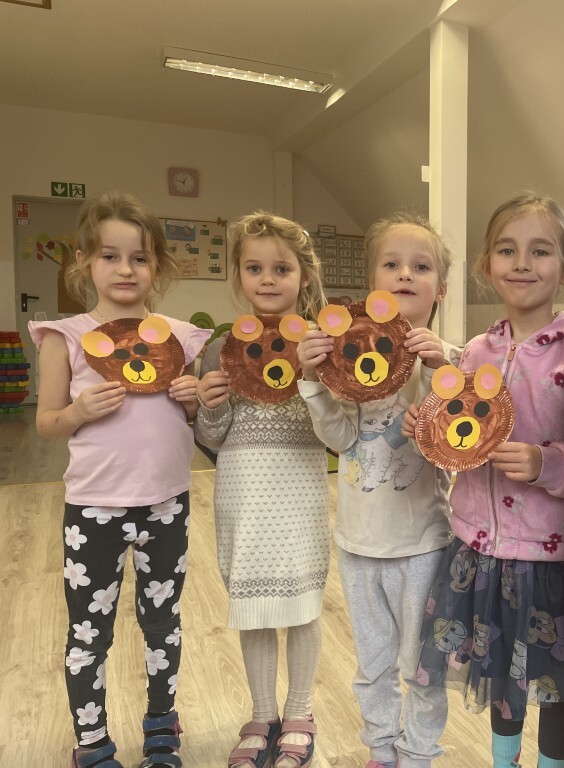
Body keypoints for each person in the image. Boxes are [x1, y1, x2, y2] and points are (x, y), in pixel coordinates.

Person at [407, 193, 564, 768]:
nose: (522, 263)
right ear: (486, 266)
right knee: (498, 672)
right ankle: (503, 762)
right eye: (507, 250)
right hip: (480, 549)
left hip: (550, 553)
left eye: (540, 251)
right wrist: (430, 430)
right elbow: (457, 442)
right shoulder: (473, 353)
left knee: (555, 681)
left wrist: (546, 464)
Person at [30, 191, 210, 768]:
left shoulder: (178, 337)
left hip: (166, 504)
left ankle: (162, 728)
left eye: (139, 258)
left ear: (158, 265)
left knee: (162, 623)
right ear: (85, 262)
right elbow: (46, 422)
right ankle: (91, 742)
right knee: (89, 631)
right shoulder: (65, 336)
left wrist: (192, 402)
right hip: (94, 509)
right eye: (110, 256)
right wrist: (79, 412)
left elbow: (195, 421)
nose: (125, 269)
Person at [296, 212, 458, 768]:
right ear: (373, 284)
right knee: (373, 664)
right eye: (392, 264)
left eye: (421, 266)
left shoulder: (450, 359)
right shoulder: (352, 358)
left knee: (423, 665)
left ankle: (418, 754)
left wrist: (437, 369)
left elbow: (449, 441)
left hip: (423, 544)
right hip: (358, 542)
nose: (405, 274)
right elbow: (342, 439)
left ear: (441, 288)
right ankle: (382, 750)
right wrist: (313, 380)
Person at [194, 212, 330, 768]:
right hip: (242, 492)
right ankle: (263, 713)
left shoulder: (322, 344)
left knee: (302, 605)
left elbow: (334, 434)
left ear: (304, 275)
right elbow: (211, 438)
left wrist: (316, 377)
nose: (268, 279)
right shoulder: (221, 349)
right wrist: (210, 405)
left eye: (282, 268)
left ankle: (299, 712)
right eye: (254, 268)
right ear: (238, 276)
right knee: (252, 607)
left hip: (299, 488)